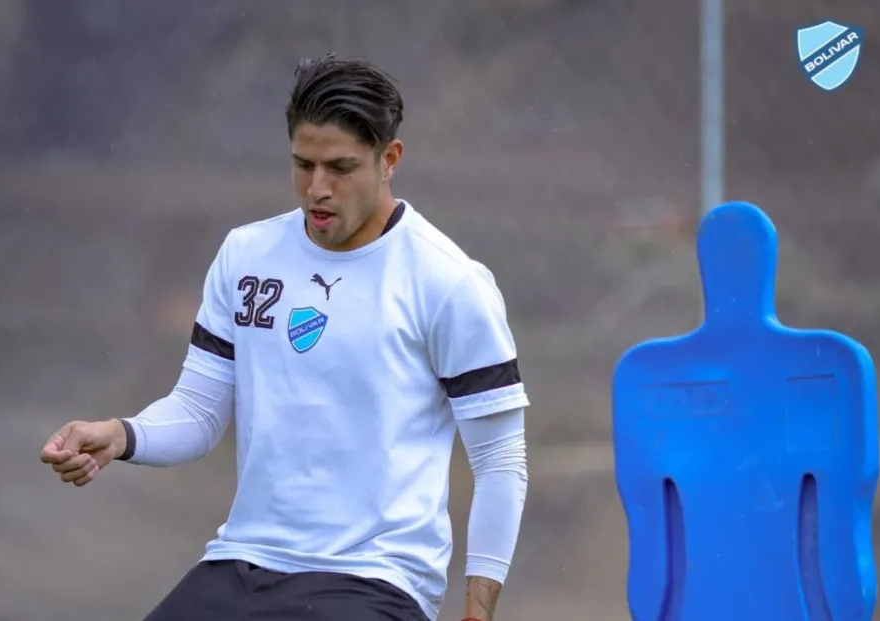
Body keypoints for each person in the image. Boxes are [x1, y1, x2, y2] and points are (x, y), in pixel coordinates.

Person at [40, 54, 530, 621]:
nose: (317, 188)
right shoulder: (246, 254)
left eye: (340, 168)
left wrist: (476, 615)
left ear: (389, 159)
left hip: (372, 580)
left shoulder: (449, 281)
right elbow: (199, 412)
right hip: (240, 561)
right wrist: (120, 435)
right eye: (303, 165)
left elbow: (500, 461)